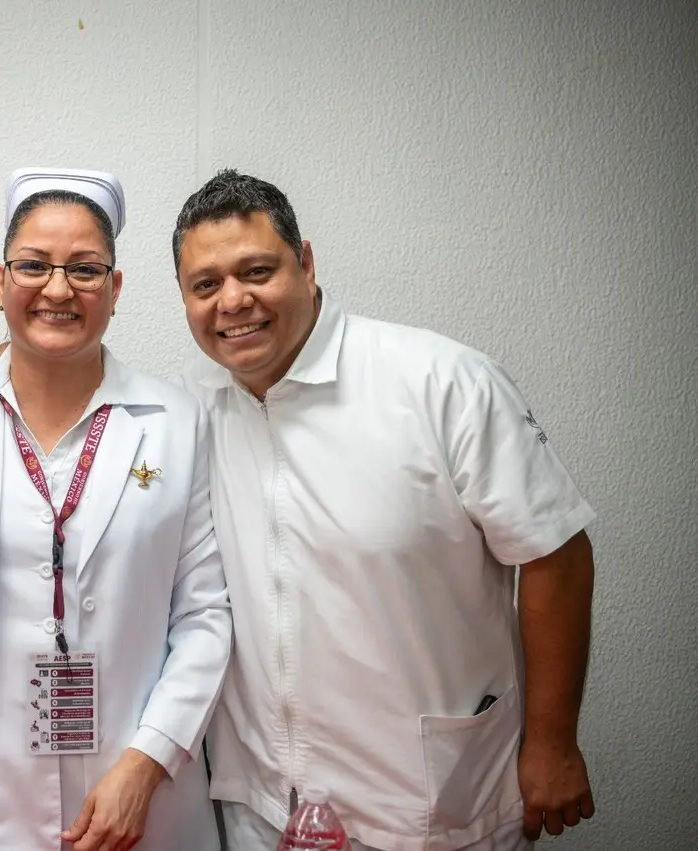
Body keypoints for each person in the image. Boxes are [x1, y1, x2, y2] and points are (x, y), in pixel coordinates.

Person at [174, 171, 597, 851]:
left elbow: (556, 554)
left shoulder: (439, 381)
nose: (234, 301)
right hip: (261, 807)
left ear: (306, 263)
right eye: (206, 284)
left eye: (257, 270)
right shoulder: (190, 409)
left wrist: (554, 743)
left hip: (429, 806)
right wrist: (9, 374)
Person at [0, 168, 232, 851]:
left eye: (85, 268)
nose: (58, 288)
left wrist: (149, 760)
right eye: (34, 265)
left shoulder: (176, 419)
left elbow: (207, 612)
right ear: (0, 282)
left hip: (134, 778)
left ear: (114, 289)